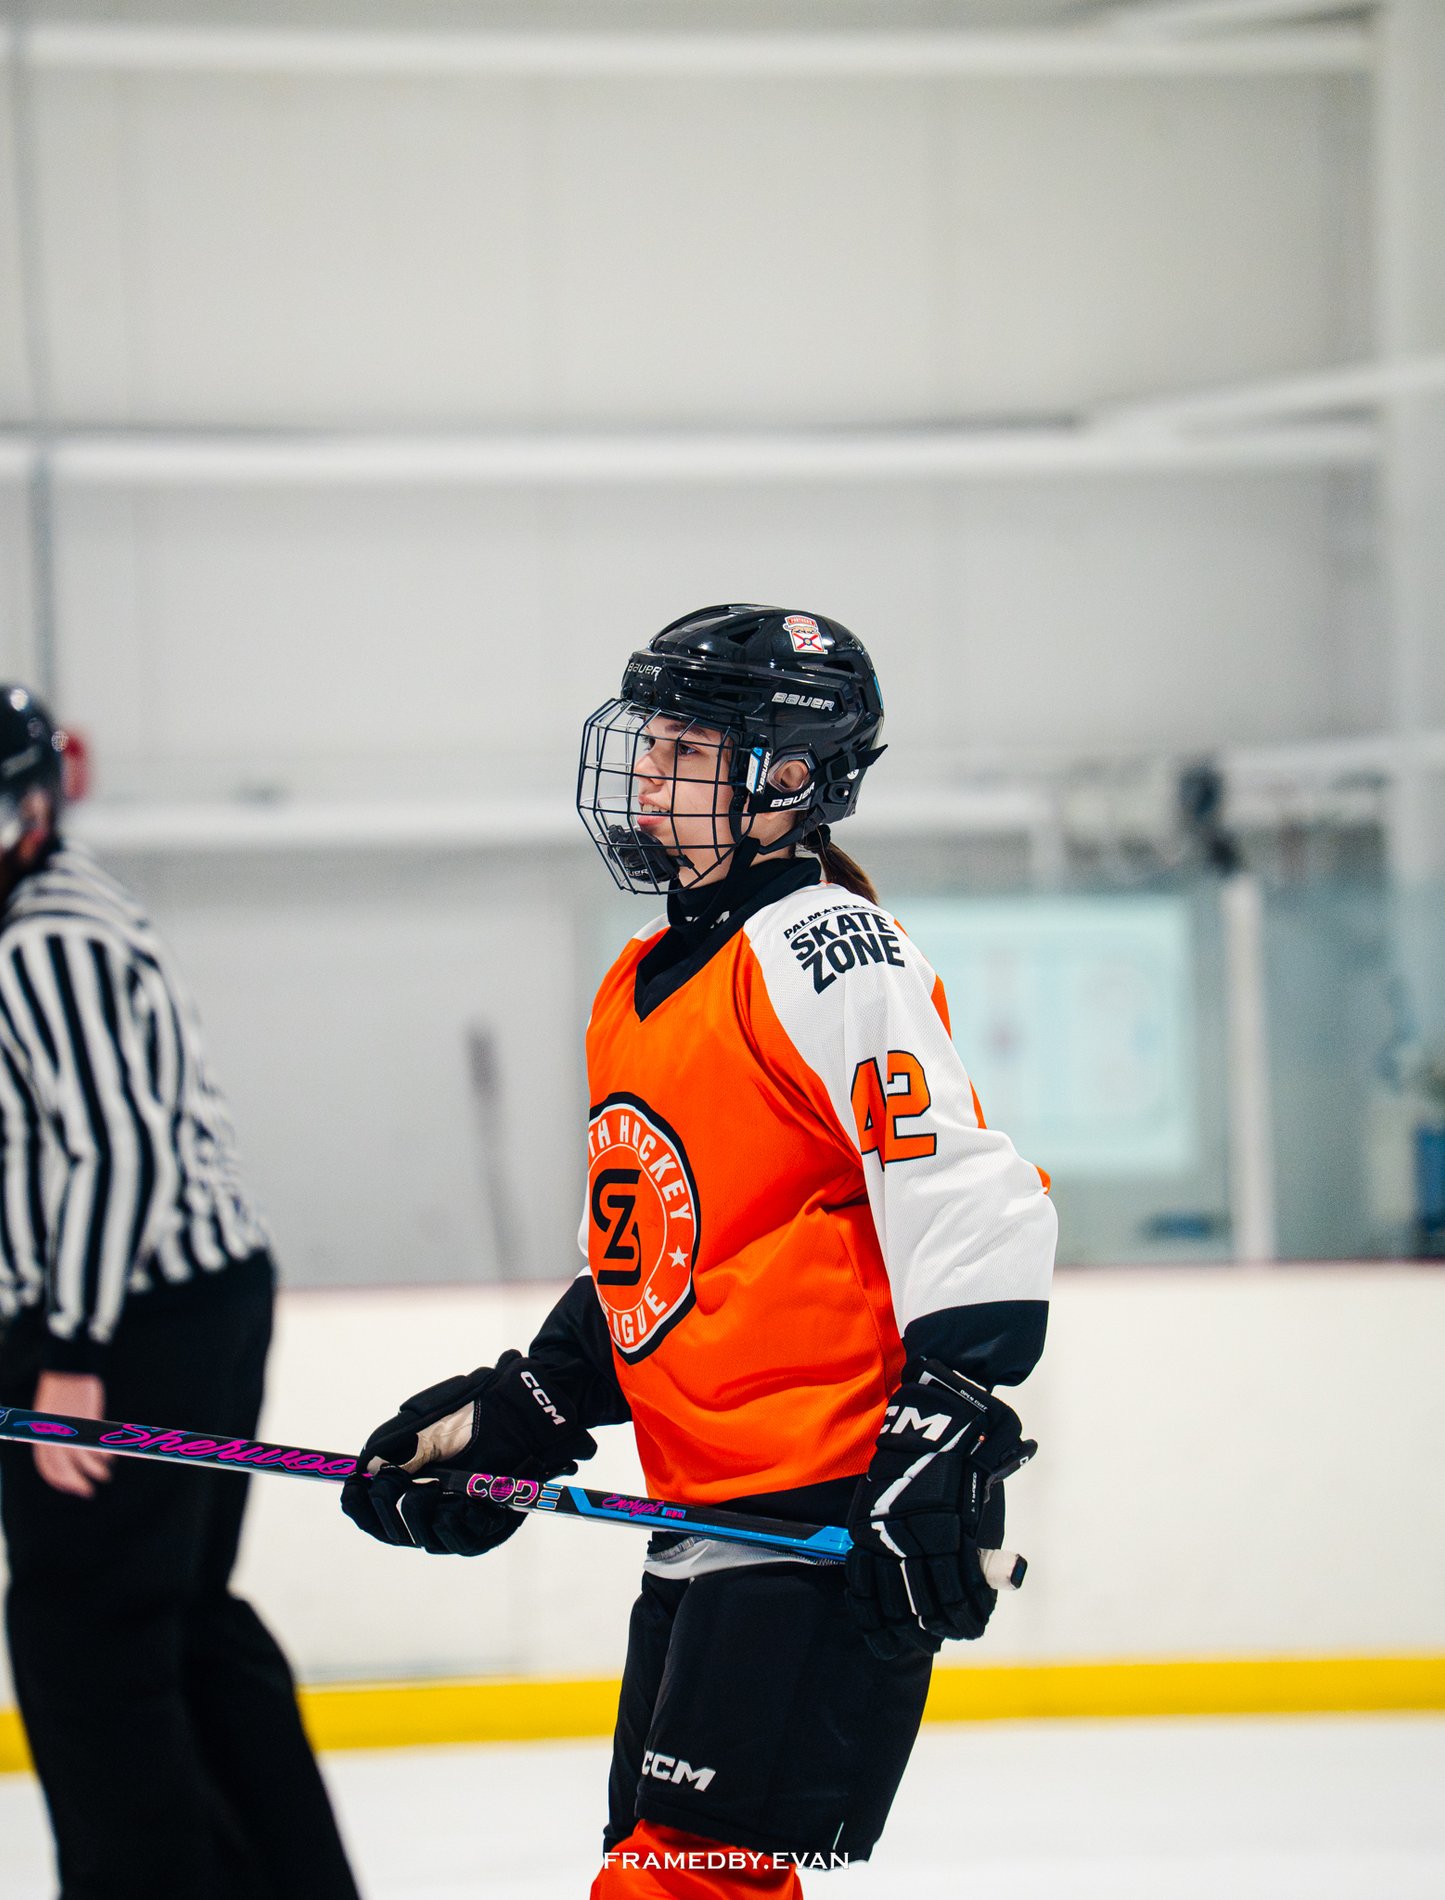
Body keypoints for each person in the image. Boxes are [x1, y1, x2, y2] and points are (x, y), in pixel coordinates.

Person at [342, 605, 1056, 1897]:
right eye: (650, 743)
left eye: (684, 750)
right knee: (684, 1869)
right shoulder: (634, 985)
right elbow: (651, 1263)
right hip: (705, 1514)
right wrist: (524, 1406)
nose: (646, 776)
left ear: (787, 777)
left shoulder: (828, 951)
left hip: (819, 1505)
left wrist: (947, 1421)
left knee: (680, 1878)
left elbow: (959, 1184)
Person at [0, 685, 360, 1900]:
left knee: (86, 1634)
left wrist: (71, 1351)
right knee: (181, 1616)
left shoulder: (46, 937)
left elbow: (117, 1153)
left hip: (131, 1326)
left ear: (32, 805)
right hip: (166, 1310)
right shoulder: (50, 907)